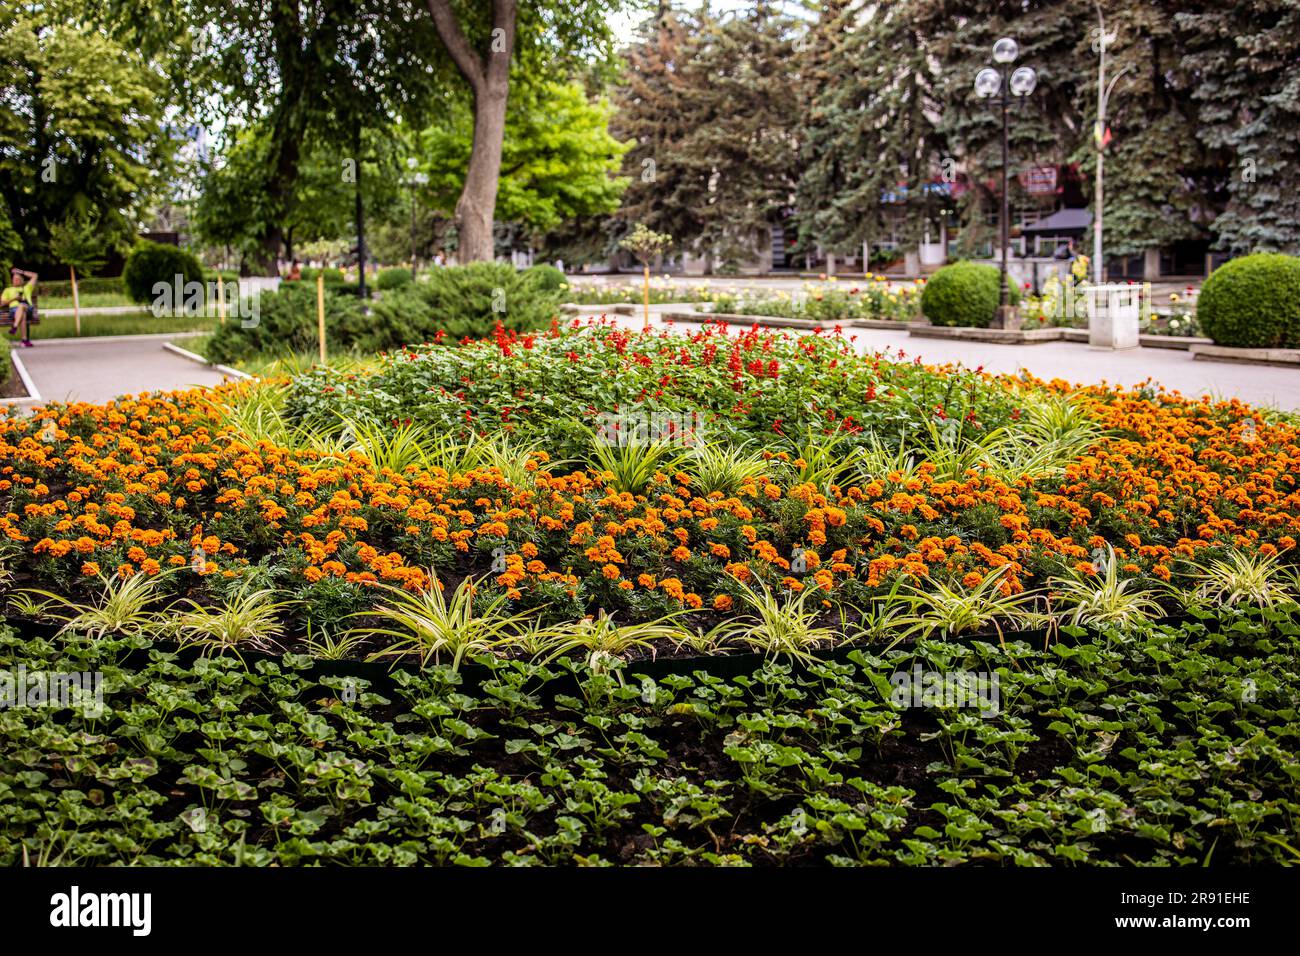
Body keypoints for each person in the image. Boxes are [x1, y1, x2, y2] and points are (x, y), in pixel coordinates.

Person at [2, 266, 38, 347]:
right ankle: (24, 341)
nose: (16, 281)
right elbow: (2, 304)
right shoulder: (8, 290)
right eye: (15, 279)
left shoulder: (27, 288)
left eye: (18, 279)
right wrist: (14, 298)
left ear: (22, 281)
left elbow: (35, 275)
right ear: (12, 281)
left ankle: (14, 326)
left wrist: (20, 271)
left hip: (28, 309)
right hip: (13, 311)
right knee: (23, 314)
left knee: (22, 306)